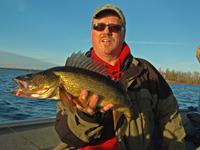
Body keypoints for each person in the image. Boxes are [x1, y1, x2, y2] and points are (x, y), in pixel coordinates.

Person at [54, 4, 186, 150]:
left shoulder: (147, 72)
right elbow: (67, 136)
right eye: (99, 26)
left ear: (123, 34)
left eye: (115, 27)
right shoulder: (71, 75)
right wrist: (86, 116)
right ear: (92, 33)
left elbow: (169, 115)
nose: (107, 31)